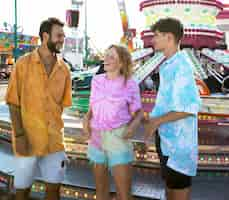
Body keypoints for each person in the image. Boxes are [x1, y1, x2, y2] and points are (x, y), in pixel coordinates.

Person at [5, 17, 72, 200]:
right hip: (27, 139)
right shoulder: (23, 65)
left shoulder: (64, 70)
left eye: (63, 36)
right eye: (59, 35)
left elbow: (62, 106)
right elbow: (13, 102)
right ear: (45, 36)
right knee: (22, 191)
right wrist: (19, 136)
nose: (62, 39)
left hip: (54, 142)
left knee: (53, 190)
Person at [144, 18, 201, 200]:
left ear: (169, 38)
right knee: (170, 189)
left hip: (179, 146)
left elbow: (189, 107)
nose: (153, 40)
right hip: (168, 140)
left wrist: (156, 122)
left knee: (178, 192)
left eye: (157, 36)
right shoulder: (168, 66)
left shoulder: (181, 67)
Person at [83, 44, 143, 200]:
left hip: (117, 137)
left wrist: (132, 127)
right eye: (106, 55)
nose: (106, 59)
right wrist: (86, 118)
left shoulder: (130, 84)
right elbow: (92, 107)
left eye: (111, 57)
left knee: (123, 194)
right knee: (101, 190)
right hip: (96, 138)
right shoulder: (96, 80)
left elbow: (139, 113)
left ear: (121, 63)